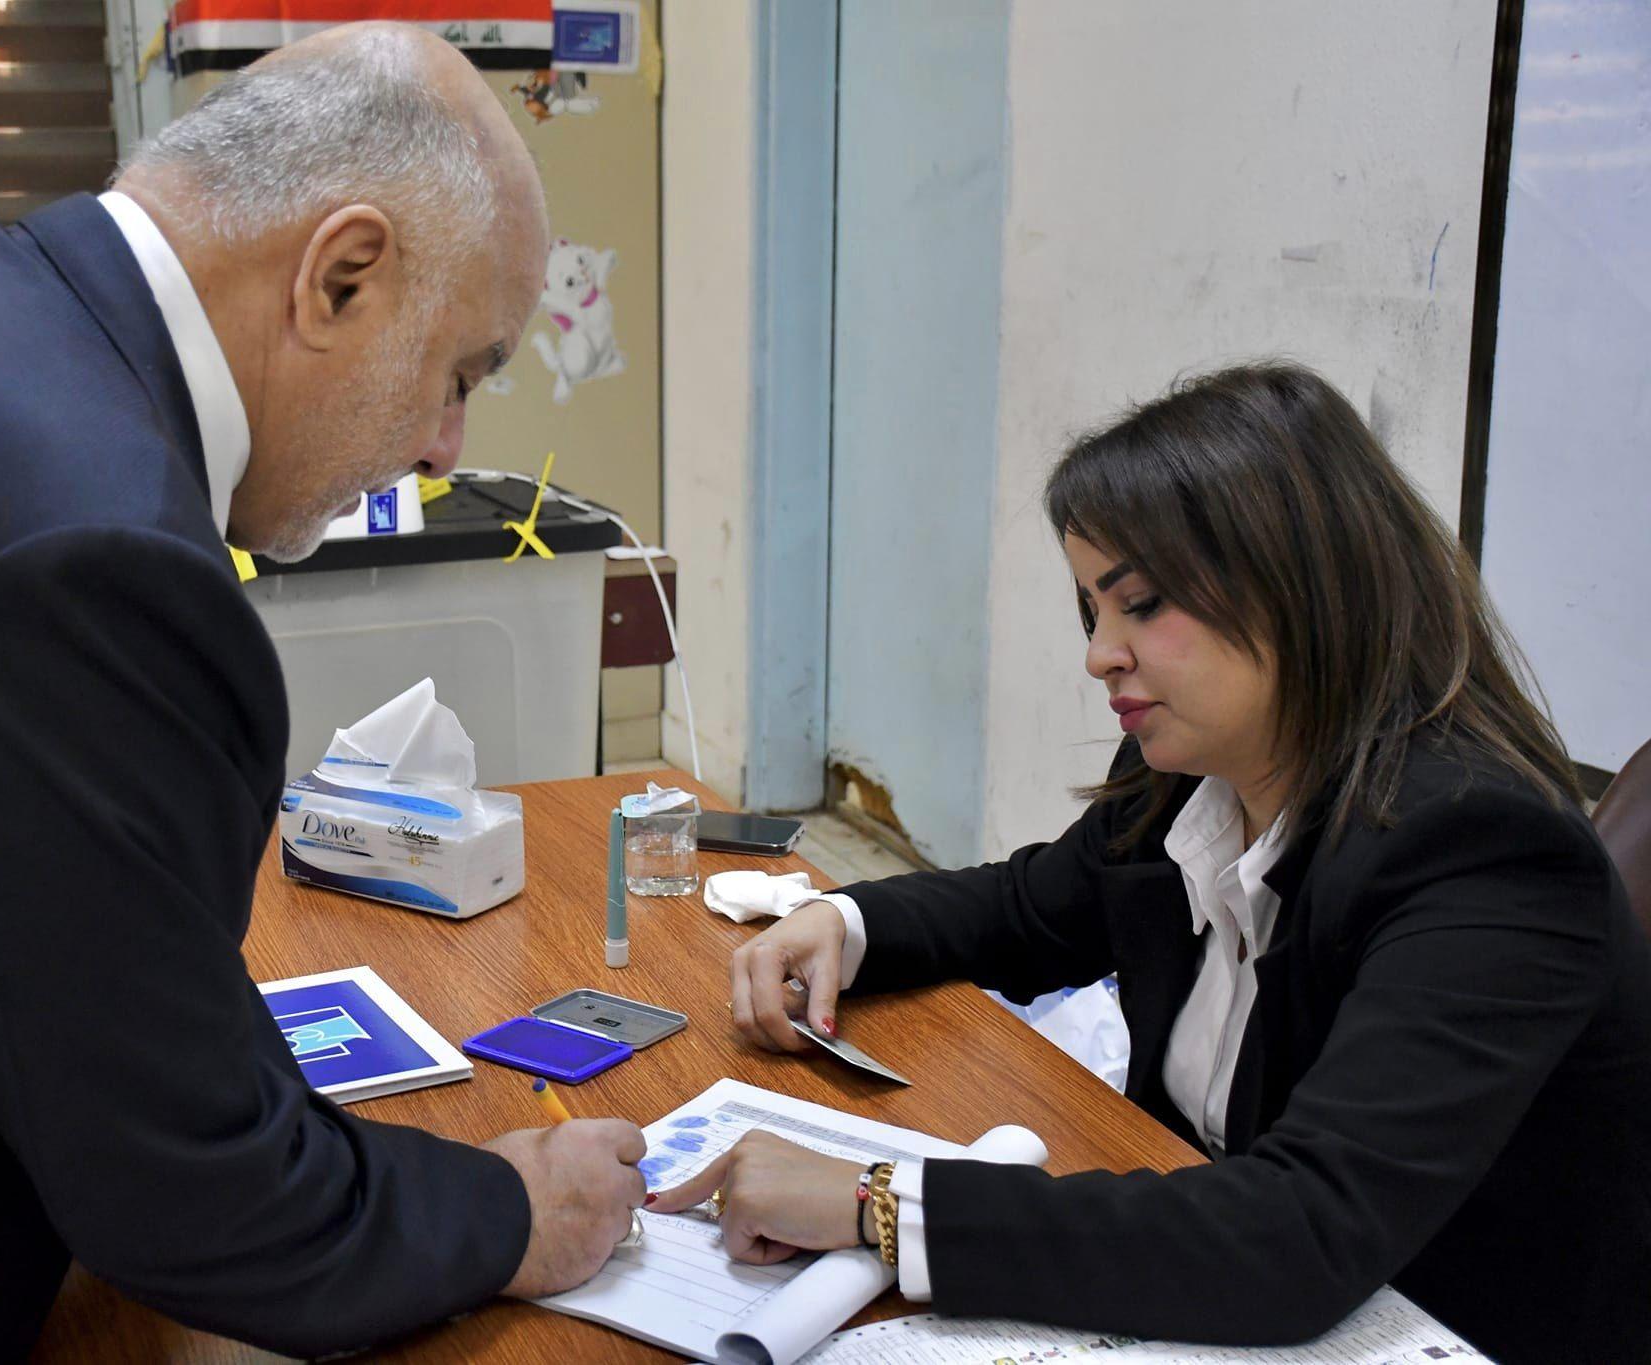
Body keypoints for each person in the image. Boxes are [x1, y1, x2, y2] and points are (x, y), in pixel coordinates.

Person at [0, 23, 647, 1362]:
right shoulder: (73, 542)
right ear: (340, 277)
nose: (445, 447)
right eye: (458, 376)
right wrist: (509, 1209)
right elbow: (192, 1194)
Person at [655, 364, 1651, 1364]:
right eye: (1092, 608)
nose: (1099, 656)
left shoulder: (1481, 852)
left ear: (1299, 586)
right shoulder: (1194, 771)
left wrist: (880, 1208)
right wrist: (845, 923)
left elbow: (1297, 1234)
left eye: (1141, 606)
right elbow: (1031, 906)